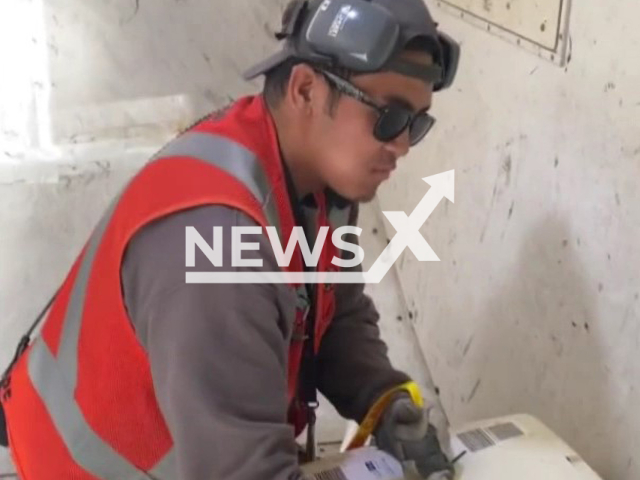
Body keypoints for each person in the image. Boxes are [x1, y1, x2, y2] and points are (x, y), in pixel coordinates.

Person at [0, 0, 460, 479]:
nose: (403, 144)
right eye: (389, 117)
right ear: (305, 89)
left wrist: (381, 396)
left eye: (418, 123)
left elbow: (331, 306)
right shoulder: (216, 247)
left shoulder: (315, 176)